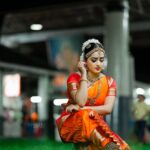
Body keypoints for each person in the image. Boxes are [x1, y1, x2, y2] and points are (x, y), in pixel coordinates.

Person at [56, 38, 130, 150]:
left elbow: (108, 108)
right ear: (85, 61)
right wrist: (84, 74)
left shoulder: (109, 81)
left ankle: (109, 144)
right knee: (85, 116)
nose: (98, 64)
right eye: (94, 60)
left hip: (96, 125)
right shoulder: (75, 78)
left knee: (123, 148)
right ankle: (107, 144)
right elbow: (80, 101)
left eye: (101, 60)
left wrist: (81, 108)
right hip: (74, 123)